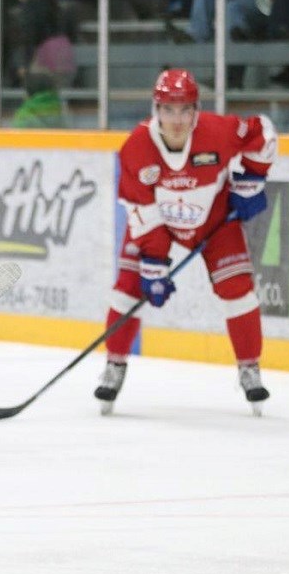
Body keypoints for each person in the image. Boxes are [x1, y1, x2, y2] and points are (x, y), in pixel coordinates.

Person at [95, 68, 277, 416]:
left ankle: (249, 368)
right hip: (158, 225)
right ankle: (114, 365)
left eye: (184, 110)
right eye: (168, 109)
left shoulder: (218, 131)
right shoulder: (135, 148)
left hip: (214, 222)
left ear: (196, 109)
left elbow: (264, 134)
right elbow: (142, 212)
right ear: (155, 110)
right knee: (127, 289)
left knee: (238, 291)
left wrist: (252, 177)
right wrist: (154, 263)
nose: (176, 119)